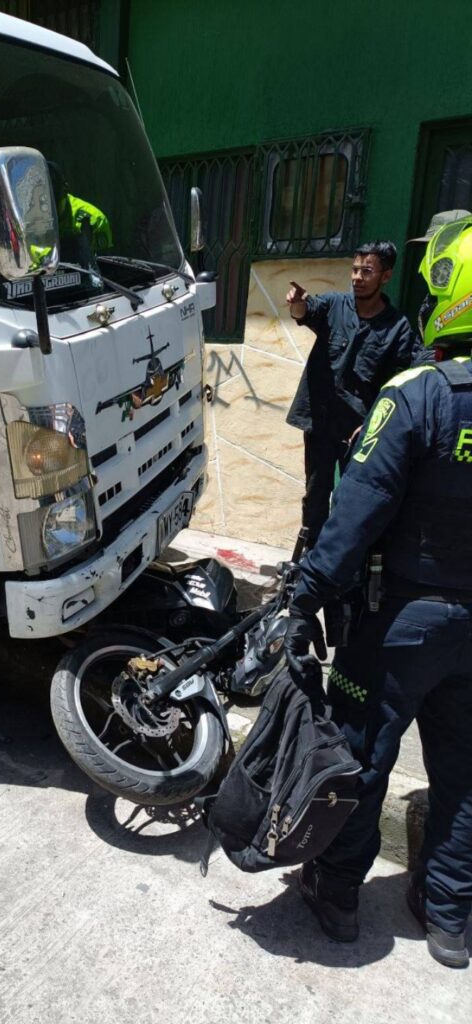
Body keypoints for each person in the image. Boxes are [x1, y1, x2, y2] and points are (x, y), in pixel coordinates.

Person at [284, 213, 472, 969]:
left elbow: (353, 514)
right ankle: (451, 920)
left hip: (400, 619)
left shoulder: (419, 394)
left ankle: (336, 896)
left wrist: (304, 599)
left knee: (363, 759)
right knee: (463, 773)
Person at [286, 242, 416, 545]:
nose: (357, 277)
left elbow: (399, 383)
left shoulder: (398, 328)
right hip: (320, 423)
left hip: (360, 431)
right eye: (355, 269)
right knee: (316, 496)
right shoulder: (334, 305)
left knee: (353, 500)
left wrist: (372, 423)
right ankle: (311, 558)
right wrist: (297, 304)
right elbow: (307, 311)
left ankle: (344, 565)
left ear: (386, 276)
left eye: (367, 271)